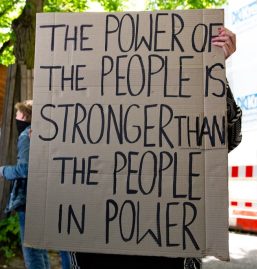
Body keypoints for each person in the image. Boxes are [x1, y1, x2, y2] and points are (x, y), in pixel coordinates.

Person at [70, 26, 242, 269]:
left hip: (168, 251)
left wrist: (214, 72)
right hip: (96, 251)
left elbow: (227, 138)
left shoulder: (178, 110)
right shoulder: (85, 118)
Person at [0, 100, 50, 269]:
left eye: (17, 113)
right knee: (39, 248)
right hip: (41, 195)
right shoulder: (42, 133)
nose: (15, 117)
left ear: (23, 115)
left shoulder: (25, 136)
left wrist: (3, 171)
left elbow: (24, 169)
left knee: (32, 250)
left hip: (28, 198)